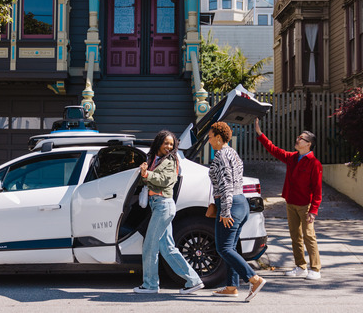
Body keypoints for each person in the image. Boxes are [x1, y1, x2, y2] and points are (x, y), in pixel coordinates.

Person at [133, 130, 204, 295]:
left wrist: (147, 174)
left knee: (150, 246)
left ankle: (150, 285)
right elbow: (149, 179)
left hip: (163, 205)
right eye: (166, 143)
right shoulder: (154, 159)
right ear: (158, 143)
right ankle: (193, 280)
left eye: (171, 144)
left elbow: (164, 180)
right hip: (158, 205)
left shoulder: (171, 161)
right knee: (167, 248)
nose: (169, 146)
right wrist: (144, 171)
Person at [254, 118, 323, 280]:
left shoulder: (314, 163)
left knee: (309, 236)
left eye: (301, 138)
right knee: (295, 236)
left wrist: (313, 210)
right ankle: (300, 266)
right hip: (291, 203)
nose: (298, 140)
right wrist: (260, 134)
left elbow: (318, 190)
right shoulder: (292, 157)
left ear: (308, 144)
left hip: (305, 205)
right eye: (298, 137)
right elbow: (274, 150)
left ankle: (315, 268)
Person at [207, 122, 266, 302]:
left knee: (223, 248)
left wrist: (225, 211)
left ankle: (254, 279)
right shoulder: (232, 152)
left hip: (230, 205)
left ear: (218, 137)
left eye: (210, 137)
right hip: (241, 203)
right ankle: (232, 287)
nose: (208, 141)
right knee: (230, 247)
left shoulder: (221, 156)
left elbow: (226, 185)